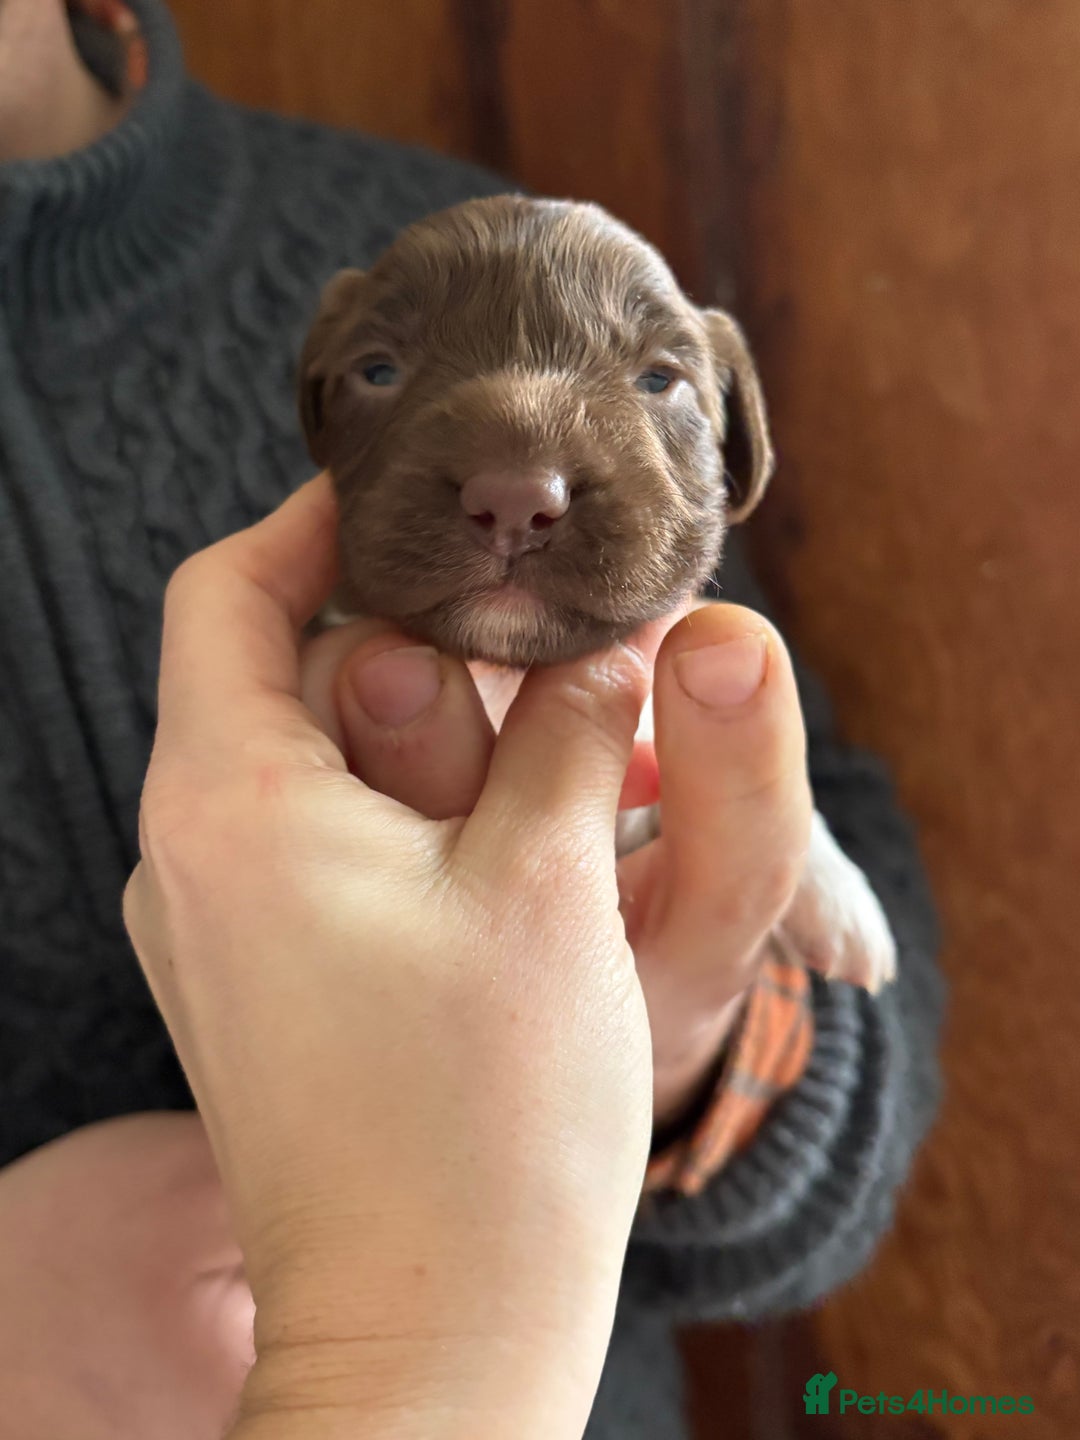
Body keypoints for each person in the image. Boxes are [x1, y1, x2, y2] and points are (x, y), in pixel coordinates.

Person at [0, 2, 946, 1437]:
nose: (520, 489)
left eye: (657, 382)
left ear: (737, 445)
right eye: (389, 373)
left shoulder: (422, 215)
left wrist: (689, 1050)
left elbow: (835, 887)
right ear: (327, 408)